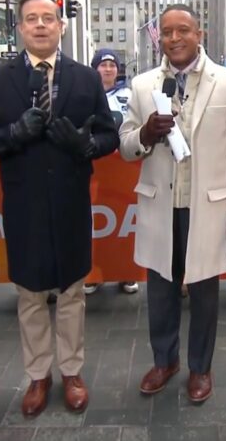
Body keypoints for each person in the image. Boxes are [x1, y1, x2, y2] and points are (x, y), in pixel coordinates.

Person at [0, 0, 119, 418]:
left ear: (61, 25)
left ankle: (72, 371)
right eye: (31, 18)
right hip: (24, 204)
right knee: (30, 293)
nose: (40, 25)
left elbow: (108, 136)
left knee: (72, 291)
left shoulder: (85, 79)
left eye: (48, 18)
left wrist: (85, 143)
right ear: (19, 27)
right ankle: (37, 374)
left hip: (70, 202)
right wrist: (12, 134)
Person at [118, 4, 226, 404]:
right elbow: (125, 146)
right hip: (160, 203)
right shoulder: (143, 85)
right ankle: (165, 361)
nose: (174, 38)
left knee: (204, 293)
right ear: (158, 36)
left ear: (200, 34)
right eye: (167, 32)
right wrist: (144, 133)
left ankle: (200, 367)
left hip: (207, 208)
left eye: (183, 30)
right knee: (159, 289)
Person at [84, 49, 139, 295]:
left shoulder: (129, 95)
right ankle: (94, 274)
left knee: (125, 220)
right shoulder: (84, 92)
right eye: (103, 64)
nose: (108, 69)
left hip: (124, 167)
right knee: (96, 223)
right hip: (94, 167)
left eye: (112, 65)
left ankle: (126, 273)